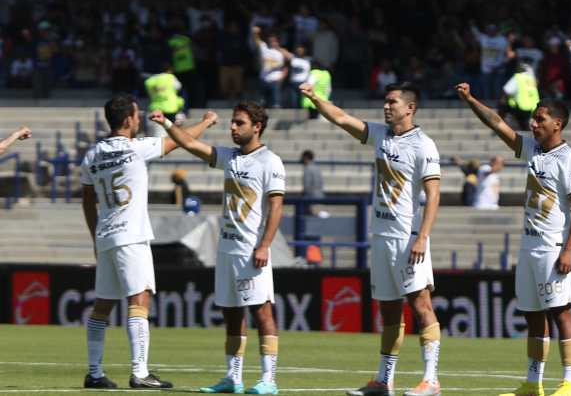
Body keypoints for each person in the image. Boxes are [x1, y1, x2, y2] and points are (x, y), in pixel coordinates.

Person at [302, 82, 444, 396]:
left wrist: (423, 237)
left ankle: (431, 380)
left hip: (408, 238)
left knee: (421, 305)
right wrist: (315, 99)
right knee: (390, 310)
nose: (386, 106)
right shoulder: (380, 135)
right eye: (385, 101)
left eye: (393, 102)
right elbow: (340, 118)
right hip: (380, 236)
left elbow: (433, 195)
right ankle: (384, 381)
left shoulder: (423, 145)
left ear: (410, 108)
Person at [457, 82, 571, 396]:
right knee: (532, 315)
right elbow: (497, 123)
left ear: (557, 123)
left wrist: (569, 250)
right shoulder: (532, 149)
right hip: (528, 245)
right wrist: (470, 99)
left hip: (553, 247)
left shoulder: (570, 160)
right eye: (533, 117)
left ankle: (570, 383)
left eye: (540, 118)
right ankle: (533, 383)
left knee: (561, 312)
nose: (533, 123)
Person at [79, 96, 216, 390]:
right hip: (132, 235)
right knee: (139, 300)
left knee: (102, 305)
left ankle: (94, 372)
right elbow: (179, 141)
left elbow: (88, 200)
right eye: (137, 115)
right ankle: (140, 372)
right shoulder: (136, 149)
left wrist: (95, 237)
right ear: (128, 120)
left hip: (105, 235)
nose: (139, 119)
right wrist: (205, 122)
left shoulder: (92, 154)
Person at [152, 102, 286, 395]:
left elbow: (277, 207)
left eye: (239, 123)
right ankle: (232, 377)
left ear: (257, 126)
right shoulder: (230, 157)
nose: (233, 127)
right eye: (232, 123)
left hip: (252, 251)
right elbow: (189, 143)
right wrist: (166, 124)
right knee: (231, 313)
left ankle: (269, 380)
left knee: (262, 311)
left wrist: (264, 245)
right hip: (226, 249)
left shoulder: (270, 161)